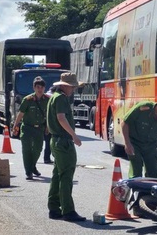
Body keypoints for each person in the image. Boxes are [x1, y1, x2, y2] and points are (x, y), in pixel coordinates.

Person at [46, 72, 85, 222]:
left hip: (56, 140)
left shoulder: (53, 97)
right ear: (64, 86)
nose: (73, 89)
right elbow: (61, 118)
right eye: (72, 87)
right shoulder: (61, 98)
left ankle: (54, 208)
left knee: (57, 174)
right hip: (63, 141)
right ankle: (68, 210)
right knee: (66, 176)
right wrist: (74, 135)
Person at [12, 76, 49, 180]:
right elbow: (20, 114)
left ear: (44, 88)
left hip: (39, 129)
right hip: (27, 128)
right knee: (27, 149)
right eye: (38, 87)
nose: (40, 89)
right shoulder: (27, 100)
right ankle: (29, 171)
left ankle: (32, 166)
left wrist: (48, 127)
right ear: (34, 88)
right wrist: (15, 126)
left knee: (38, 149)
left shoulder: (47, 100)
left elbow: (49, 114)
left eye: (42, 87)